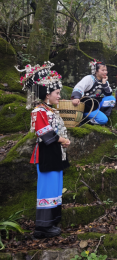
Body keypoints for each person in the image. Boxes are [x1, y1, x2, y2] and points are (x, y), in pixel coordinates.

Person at [18, 62, 71, 238]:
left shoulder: (49, 110)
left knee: (55, 187)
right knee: (47, 188)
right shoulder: (38, 111)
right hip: (46, 154)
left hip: (56, 154)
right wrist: (62, 139)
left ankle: (52, 221)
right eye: (57, 93)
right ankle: (42, 227)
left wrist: (62, 142)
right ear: (47, 94)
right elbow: (45, 134)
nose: (59, 96)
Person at [71, 60, 116, 125]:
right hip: (87, 106)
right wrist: (76, 97)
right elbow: (79, 87)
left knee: (112, 99)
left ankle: (100, 114)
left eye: (106, 70)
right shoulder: (89, 78)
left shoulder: (105, 81)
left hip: (97, 104)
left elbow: (108, 94)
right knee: (104, 120)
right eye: (102, 70)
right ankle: (86, 118)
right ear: (96, 71)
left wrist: (104, 83)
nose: (105, 72)